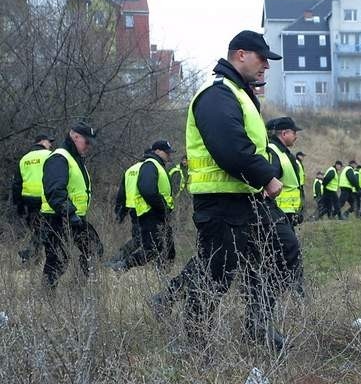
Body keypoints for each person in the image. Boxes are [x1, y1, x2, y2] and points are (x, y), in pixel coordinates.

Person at [157, 30, 298, 352]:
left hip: (246, 197)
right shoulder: (217, 93)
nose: (267, 66)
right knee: (216, 272)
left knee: (282, 248)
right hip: (220, 201)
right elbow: (229, 147)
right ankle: (193, 341)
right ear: (241, 55)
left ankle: (258, 324)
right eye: (263, 58)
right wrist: (266, 177)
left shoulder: (238, 93)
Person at [40, 121, 103, 289]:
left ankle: (80, 288)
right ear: (74, 136)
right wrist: (71, 213)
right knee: (58, 259)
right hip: (57, 218)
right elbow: (55, 191)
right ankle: (46, 296)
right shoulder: (59, 158)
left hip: (74, 218)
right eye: (86, 141)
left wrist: (74, 215)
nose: (89, 146)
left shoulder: (74, 158)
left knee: (95, 250)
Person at [107, 140, 176, 271]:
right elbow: (148, 190)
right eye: (167, 152)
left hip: (140, 209)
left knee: (155, 243)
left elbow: (122, 193)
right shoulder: (151, 166)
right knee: (150, 247)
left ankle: (120, 261)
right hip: (150, 211)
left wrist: (120, 212)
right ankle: (120, 264)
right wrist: (163, 208)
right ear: (156, 152)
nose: (169, 155)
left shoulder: (132, 169)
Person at [12, 134, 54, 262]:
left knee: (38, 229)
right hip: (46, 199)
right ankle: (29, 253)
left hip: (29, 200)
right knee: (46, 228)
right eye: (49, 142)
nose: (50, 144)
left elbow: (17, 183)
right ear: (41, 141)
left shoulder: (24, 158)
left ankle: (33, 258)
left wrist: (18, 204)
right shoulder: (50, 155)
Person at [267, 117, 302, 225]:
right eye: (294, 132)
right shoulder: (273, 151)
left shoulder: (283, 152)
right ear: (284, 133)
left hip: (287, 211)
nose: (296, 136)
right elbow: (270, 182)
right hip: (279, 212)